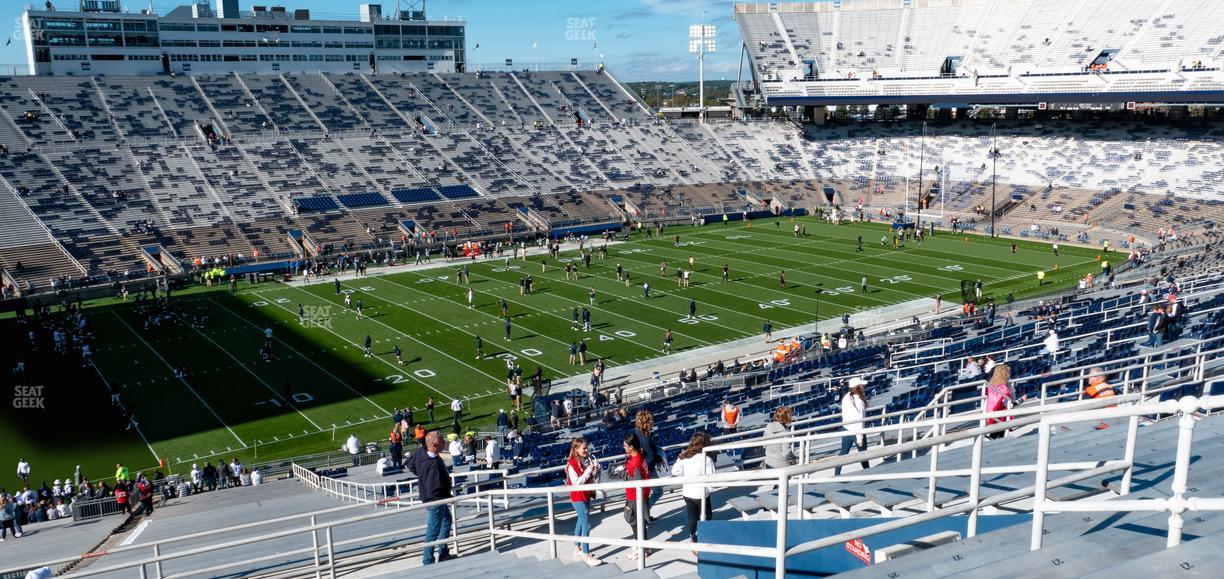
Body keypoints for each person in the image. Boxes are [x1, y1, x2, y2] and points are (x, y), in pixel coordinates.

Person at [407, 431, 453, 565]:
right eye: (443, 442)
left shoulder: (421, 452)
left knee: (446, 521)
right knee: (433, 531)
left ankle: (443, 552)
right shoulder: (434, 465)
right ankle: (428, 560)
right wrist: (448, 496)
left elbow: (411, 466)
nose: (444, 443)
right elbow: (435, 488)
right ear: (435, 445)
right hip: (435, 500)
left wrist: (422, 476)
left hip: (433, 498)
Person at [671, 432, 715, 545]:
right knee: (707, 515)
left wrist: (686, 475)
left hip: (687, 492)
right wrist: (709, 488)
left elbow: (674, 471)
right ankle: (704, 535)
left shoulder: (684, 455)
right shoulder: (707, 459)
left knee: (692, 516)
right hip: (701, 493)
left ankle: (693, 537)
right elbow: (712, 479)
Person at [565, 437, 603, 566]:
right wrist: (588, 471)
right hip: (577, 497)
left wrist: (595, 470)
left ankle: (577, 548)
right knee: (586, 524)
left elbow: (588, 478)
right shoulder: (572, 464)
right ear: (576, 449)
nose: (587, 450)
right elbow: (576, 483)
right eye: (584, 448)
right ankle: (586, 555)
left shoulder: (584, 460)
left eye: (587, 448)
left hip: (585, 495)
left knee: (581, 521)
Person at [622, 433, 651, 561]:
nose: (624, 448)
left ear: (632, 447)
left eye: (625, 446)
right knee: (639, 522)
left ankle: (641, 549)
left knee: (634, 522)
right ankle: (645, 547)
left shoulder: (635, 461)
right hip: (641, 494)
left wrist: (624, 475)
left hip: (635, 496)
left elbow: (637, 480)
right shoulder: (639, 456)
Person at [834, 378, 870, 476]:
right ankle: (868, 473)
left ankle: (836, 474)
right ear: (857, 387)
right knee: (863, 454)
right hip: (857, 431)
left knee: (843, 453)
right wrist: (859, 437)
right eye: (862, 385)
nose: (864, 387)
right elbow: (860, 420)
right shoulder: (858, 400)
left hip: (846, 429)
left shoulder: (846, 397)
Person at [634, 411, 665, 519]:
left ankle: (644, 514)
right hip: (648, 470)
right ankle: (643, 513)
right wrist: (659, 458)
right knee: (658, 491)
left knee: (646, 494)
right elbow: (650, 457)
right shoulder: (645, 439)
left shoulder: (636, 433)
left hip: (640, 469)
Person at [984, 364, 1024, 439]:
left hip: (991, 412)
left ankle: (992, 437)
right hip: (1001, 414)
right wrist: (1021, 400)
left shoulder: (990, 386)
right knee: (1001, 433)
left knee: (996, 432)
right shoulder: (1004, 388)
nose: (1009, 374)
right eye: (1008, 373)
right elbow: (1009, 404)